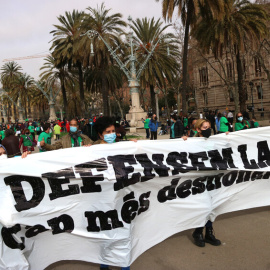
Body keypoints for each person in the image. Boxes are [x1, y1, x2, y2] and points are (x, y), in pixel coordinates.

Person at [191, 119, 222, 247]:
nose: (208, 129)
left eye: (209, 127)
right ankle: (198, 232)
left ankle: (208, 233)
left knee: (212, 206)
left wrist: (228, 137)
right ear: (198, 130)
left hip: (213, 179)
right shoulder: (191, 142)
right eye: (205, 127)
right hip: (199, 180)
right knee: (205, 207)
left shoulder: (214, 141)